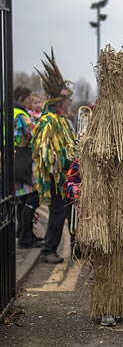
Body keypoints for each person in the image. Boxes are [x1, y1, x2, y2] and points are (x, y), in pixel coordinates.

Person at [31, 50, 77, 264]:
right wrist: (65, 163)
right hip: (57, 179)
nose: (70, 103)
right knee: (58, 215)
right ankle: (48, 250)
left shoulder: (61, 120)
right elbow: (46, 152)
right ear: (59, 102)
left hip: (66, 177)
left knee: (69, 215)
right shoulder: (49, 121)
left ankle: (76, 249)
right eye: (67, 100)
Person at [13, 85, 42, 249]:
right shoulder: (21, 115)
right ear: (22, 99)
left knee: (22, 199)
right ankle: (26, 237)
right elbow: (34, 135)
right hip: (23, 159)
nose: (32, 102)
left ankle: (23, 233)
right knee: (31, 198)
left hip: (13, 159)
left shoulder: (9, 111)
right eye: (30, 99)